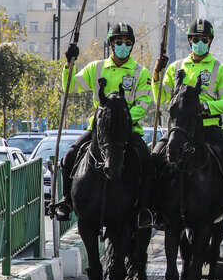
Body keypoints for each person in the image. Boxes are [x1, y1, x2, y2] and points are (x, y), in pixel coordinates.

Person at [53, 22, 154, 225]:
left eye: (127, 42)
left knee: (148, 163)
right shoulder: (95, 68)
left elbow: (144, 104)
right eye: (119, 42)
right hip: (98, 131)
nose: (123, 46)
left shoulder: (140, 73)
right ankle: (66, 202)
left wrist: (122, 120)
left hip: (128, 132)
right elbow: (70, 86)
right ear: (111, 44)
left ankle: (146, 208)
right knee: (70, 155)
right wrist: (68, 65)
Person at [151, 19, 223, 221]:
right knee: (155, 157)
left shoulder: (221, 69)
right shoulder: (176, 67)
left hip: (209, 128)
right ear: (190, 41)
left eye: (203, 39)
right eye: (195, 39)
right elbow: (160, 99)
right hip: (180, 129)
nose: (199, 42)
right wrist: (157, 74)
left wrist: (206, 107)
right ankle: (152, 208)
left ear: (209, 41)